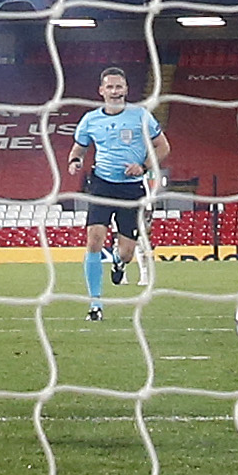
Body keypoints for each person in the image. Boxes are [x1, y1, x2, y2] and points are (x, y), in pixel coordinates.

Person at [66, 66, 169, 321]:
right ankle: (95, 304)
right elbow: (77, 150)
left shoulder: (141, 116)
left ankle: (119, 262)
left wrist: (143, 166)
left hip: (131, 189)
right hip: (101, 185)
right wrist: (75, 162)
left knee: (126, 252)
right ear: (101, 91)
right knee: (94, 239)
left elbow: (163, 146)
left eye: (118, 86)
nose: (114, 91)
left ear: (126, 89)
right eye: (109, 87)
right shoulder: (90, 120)